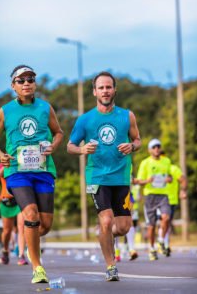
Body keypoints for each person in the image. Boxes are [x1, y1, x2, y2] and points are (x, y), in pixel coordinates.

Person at [67, 71, 141, 281]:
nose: (105, 91)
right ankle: (111, 266)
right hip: (97, 177)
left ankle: (103, 234)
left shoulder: (127, 116)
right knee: (107, 221)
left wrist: (132, 146)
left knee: (124, 227)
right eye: (101, 87)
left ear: (114, 90)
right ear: (94, 91)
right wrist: (82, 150)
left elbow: (138, 140)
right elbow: (70, 146)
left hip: (121, 177)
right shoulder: (85, 119)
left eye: (108, 87)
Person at [0, 65, 63, 283]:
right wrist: (0, 155)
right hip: (17, 171)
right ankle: (37, 267)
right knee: (31, 214)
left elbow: (59, 133)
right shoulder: (5, 111)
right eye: (21, 80)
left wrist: (53, 146)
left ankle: (31, 246)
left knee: (43, 226)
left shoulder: (45, 108)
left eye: (30, 79)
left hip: (43, 170)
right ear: (13, 86)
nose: (26, 83)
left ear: (35, 83)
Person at [137, 139, 172, 261]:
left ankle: (161, 240)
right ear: (149, 150)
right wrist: (147, 181)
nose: (156, 149)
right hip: (150, 196)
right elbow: (139, 181)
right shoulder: (145, 163)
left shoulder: (166, 161)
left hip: (163, 195)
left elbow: (170, 177)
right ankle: (152, 249)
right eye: (154, 147)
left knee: (166, 217)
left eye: (158, 146)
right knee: (151, 226)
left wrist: (169, 179)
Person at [157, 152, 187, 256]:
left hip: (171, 201)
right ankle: (163, 244)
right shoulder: (155, 168)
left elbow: (182, 179)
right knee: (163, 221)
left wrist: (183, 191)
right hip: (158, 200)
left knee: (166, 223)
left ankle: (164, 244)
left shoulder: (172, 168)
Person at [0, 163, 28, 265]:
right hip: (6, 201)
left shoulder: (20, 163)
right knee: (7, 231)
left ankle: (21, 255)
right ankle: (5, 251)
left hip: (19, 200)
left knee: (21, 227)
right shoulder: (2, 165)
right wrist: (5, 165)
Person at [115, 177, 140, 262]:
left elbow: (130, 179)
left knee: (129, 221)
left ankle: (131, 249)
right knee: (115, 224)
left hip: (126, 193)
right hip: (111, 192)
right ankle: (116, 251)